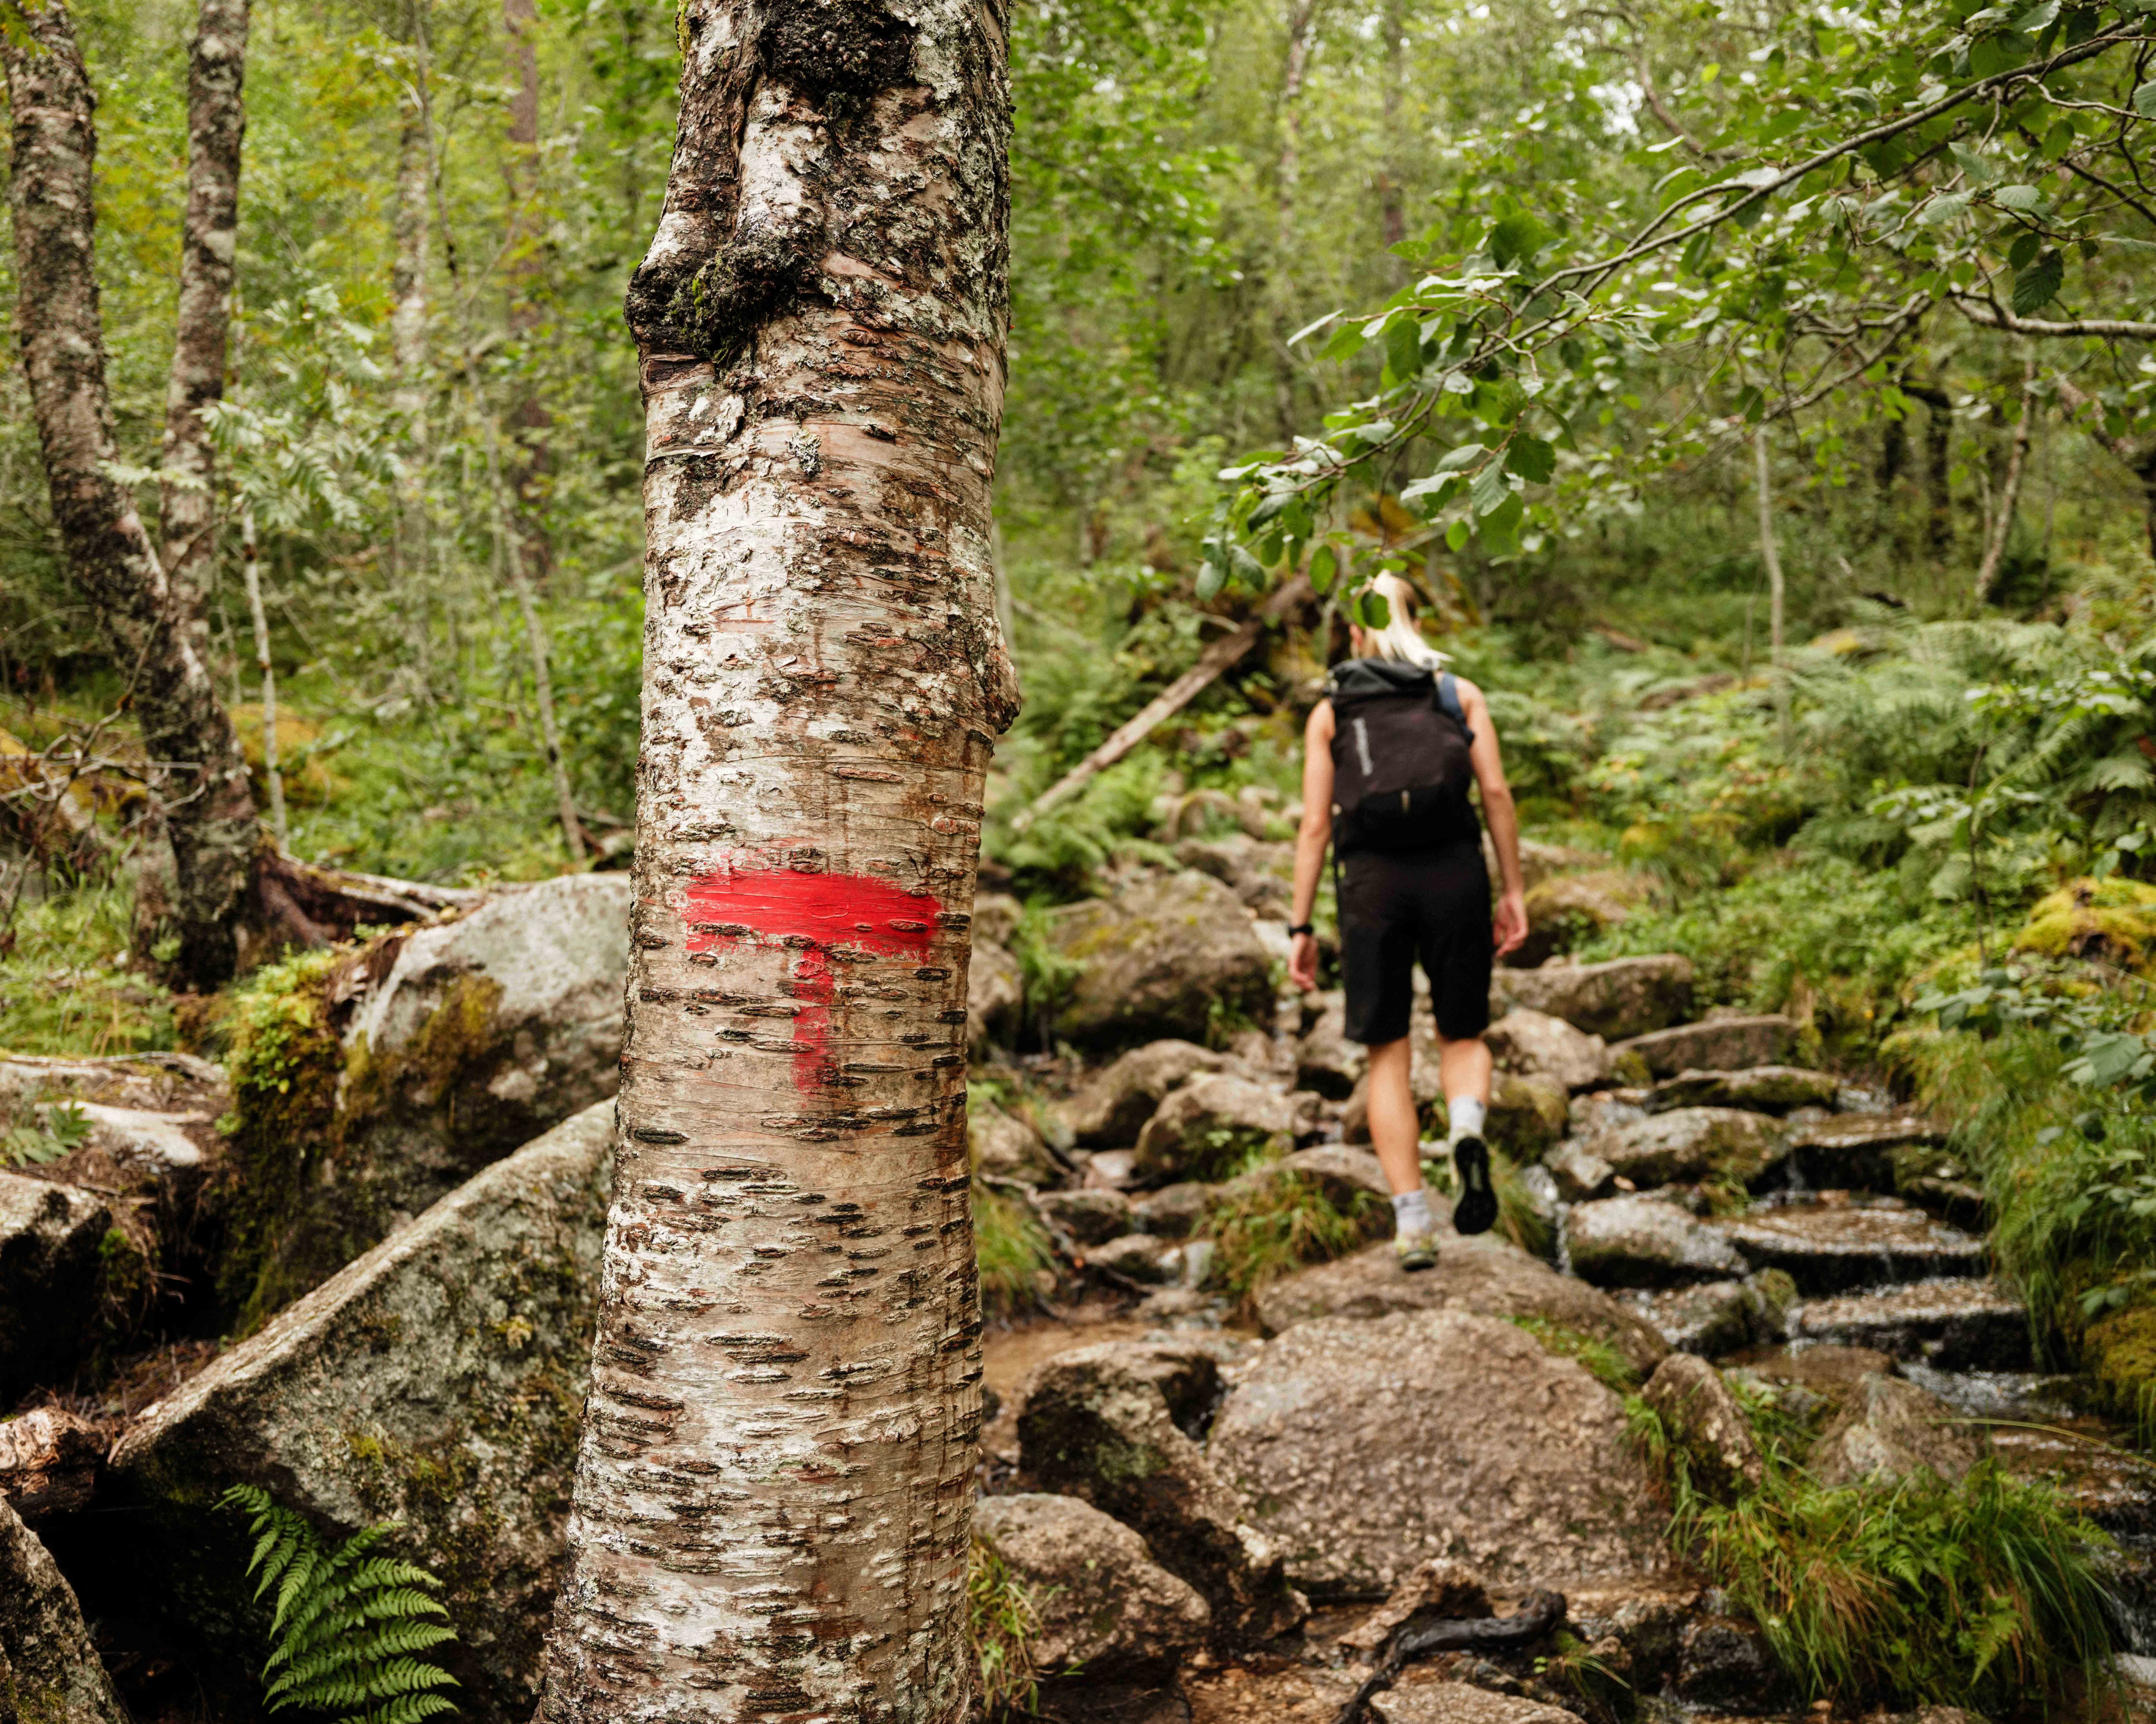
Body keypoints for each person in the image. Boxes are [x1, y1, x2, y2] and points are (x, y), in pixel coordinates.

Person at [1286, 572, 1528, 1270]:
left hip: (1371, 885)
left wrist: (1299, 929)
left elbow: (1312, 827)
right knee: (1463, 1033)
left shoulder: (1333, 712)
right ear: (1416, 622)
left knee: (1387, 1052)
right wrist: (1514, 890)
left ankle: (1414, 1223)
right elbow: (1497, 793)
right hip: (1456, 872)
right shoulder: (1458, 695)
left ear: (1358, 632)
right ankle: (1464, 1127)